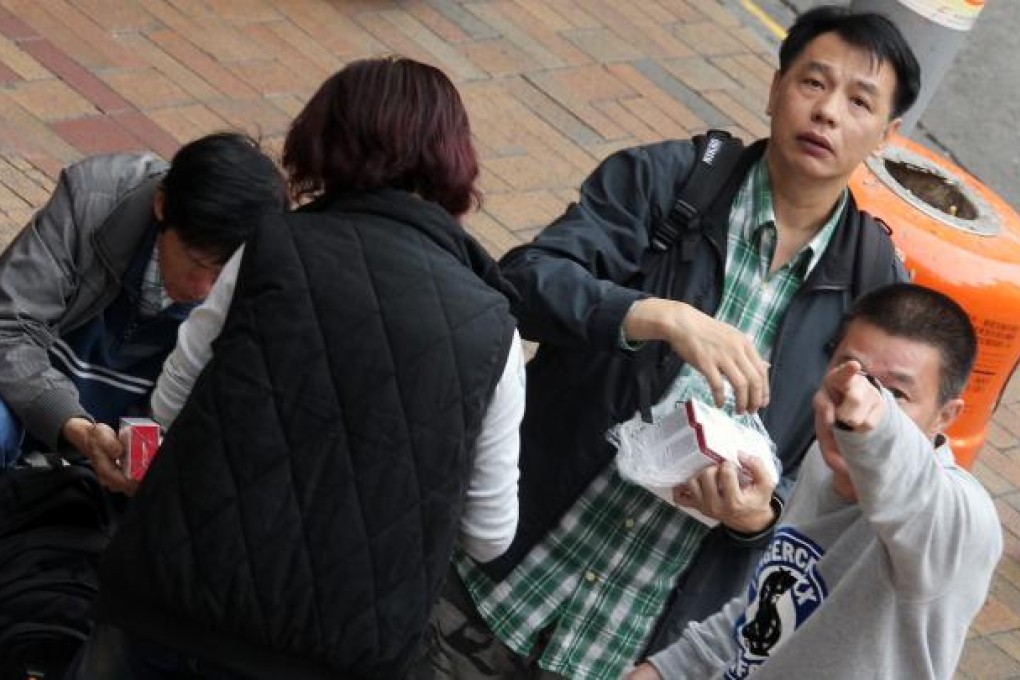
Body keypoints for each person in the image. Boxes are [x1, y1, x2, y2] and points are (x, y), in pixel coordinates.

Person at [432, 6, 921, 679]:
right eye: (814, 83)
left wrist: (758, 518)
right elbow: (522, 286)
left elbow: (847, 486)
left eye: (859, 101)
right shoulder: (671, 184)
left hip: (631, 650)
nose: (829, 112)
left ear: (888, 135)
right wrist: (655, 315)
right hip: (491, 585)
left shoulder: (874, 287)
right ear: (776, 87)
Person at [67, 56, 523, 679]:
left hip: (175, 603)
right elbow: (490, 533)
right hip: (340, 651)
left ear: (323, 142)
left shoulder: (269, 249)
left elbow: (171, 403)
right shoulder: (493, 329)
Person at [628, 283, 1002, 679]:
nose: (854, 406)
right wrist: (668, 669)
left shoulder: (963, 523)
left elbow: (907, 481)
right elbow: (768, 606)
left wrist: (874, 426)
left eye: (896, 393)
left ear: (945, 416)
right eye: (850, 374)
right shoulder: (824, 462)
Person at [0, 132, 286, 494]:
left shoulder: (264, 276)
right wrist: (73, 424)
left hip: (127, 466)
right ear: (162, 205)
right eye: (197, 263)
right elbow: (8, 326)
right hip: (26, 405)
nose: (204, 290)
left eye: (222, 275)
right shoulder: (93, 199)